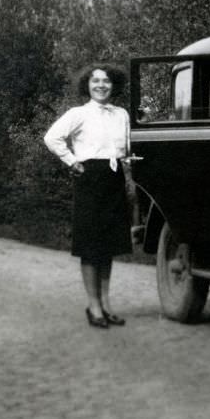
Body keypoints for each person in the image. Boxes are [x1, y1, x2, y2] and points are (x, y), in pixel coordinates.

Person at [44, 64, 132, 329]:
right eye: (95, 81)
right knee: (90, 246)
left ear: (113, 85)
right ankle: (93, 306)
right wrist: (72, 161)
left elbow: (125, 148)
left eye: (106, 81)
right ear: (87, 85)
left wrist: (128, 171)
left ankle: (105, 305)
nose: (101, 85)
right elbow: (52, 138)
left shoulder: (122, 114)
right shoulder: (78, 113)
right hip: (90, 179)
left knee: (108, 247)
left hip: (114, 179)